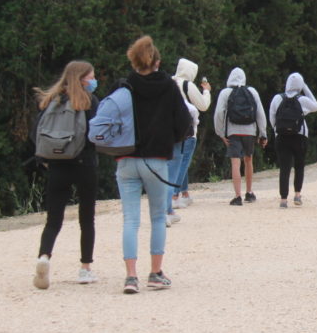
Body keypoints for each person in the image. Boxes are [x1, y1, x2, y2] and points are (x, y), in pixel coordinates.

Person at [114, 35, 191, 294]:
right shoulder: (169, 87)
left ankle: (130, 277)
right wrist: (169, 138)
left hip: (127, 159)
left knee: (130, 220)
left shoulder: (125, 86)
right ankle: (155, 273)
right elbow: (184, 124)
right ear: (157, 61)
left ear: (134, 62)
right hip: (156, 160)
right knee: (158, 217)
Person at [32, 60, 99, 289]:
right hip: (84, 164)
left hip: (57, 165)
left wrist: (46, 160)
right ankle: (85, 268)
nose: (93, 81)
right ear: (81, 79)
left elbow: (37, 133)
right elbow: (96, 133)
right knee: (86, 218)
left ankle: (44, 257)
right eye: (91, 77)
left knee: (53, 219)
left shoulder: (50, 100)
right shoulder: (89, 102)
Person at [166, 59, 211, 224]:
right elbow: (203, 106)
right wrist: (206, 92)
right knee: (183, 162)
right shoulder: (188, 85)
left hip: (168, 129)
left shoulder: (169, 82)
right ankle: (175, 195)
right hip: (187, 129)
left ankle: (183, 192)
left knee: (174, 162)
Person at [214, 67, 268, 205]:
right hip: (250, 131)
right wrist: (263, 133)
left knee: (235, 162)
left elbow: (219, 113)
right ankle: (249, 193)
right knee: (248, 160)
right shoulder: (252, 91)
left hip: (233, 131)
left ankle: (237, 196)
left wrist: (220, 133)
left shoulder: (225, 92)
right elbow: (260, 113)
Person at [268, 72, 317, 208]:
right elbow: (316, 106)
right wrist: (305, 87)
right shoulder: (302, 100)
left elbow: (272, 117)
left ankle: (283, 199)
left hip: (282, 136)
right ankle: (297, 195)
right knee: (299, 166)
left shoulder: (277, 99)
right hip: (300, 135)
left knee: (284, 168)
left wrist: (277, 131)